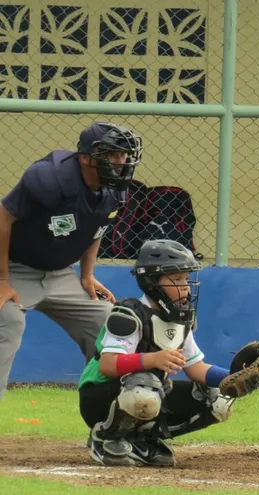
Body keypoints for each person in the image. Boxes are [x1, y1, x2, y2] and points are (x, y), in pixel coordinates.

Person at [0, 122, 142, 400]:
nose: (120, 162)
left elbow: (95, 227)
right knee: (8, 321)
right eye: (112, 154)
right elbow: (2, 218)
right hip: (15, 268)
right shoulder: (49, 178)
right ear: (86, 158)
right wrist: (2, 280)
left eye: (123, 155)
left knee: (108, 324)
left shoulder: (113, 190)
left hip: (60, 274)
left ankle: (110, 416)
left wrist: (87, 274)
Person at [78, 240, 237, 466]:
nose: (186, 287)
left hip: (148, 392)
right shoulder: (128, 314)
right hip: (99, 398)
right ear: (152, 282)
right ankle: (106, 437)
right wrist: (153, 359)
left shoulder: (179, 318)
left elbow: (196, 368)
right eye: (177, 279)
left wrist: (234, 378)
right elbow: (108, 365)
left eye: (186, 279)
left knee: (216, 399)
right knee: (146, 384)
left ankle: (143, 440)